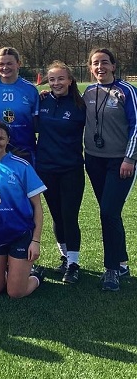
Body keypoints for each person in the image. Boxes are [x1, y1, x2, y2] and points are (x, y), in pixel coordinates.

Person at [82, 48, 137, 291]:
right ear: (90, 68)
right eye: (95, 63)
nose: (100, 67)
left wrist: (130, 158)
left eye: (105, 62)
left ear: (114, 66)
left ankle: (111, 269)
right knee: (110, 213)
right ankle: (122, 263)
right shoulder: (88, 92)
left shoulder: (126, 91)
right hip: (94, 160)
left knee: (108, 212)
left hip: (120, 162)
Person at [0, 120, 46, 298]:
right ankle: (14, 270)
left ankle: (36, 275)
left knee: (16, 293)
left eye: (0, 138)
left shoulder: (21, 166)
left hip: (20, 235)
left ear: (8, 139)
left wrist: (36, 241)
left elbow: (37, 207)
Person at [36, 61, 86, 284]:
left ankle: (74, 263)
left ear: (70, 80)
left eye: (61, 78)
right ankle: (65, 258)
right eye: (53, 79)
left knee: (69, 215)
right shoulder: (43, 101)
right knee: (56, 215)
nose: (57, 83)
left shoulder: (80, 105)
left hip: (71, 169)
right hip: (46, 168)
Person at [0, 47, 38, 163]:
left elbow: (36, 122)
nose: (5, 67)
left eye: (9, 63)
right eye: (1, 64)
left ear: (18, 64)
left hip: (24, 149)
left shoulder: (30, 89)